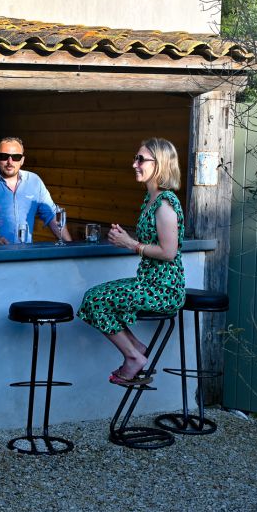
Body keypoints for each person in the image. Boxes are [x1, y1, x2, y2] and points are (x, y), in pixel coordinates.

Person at [78, 138, 185, 386]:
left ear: (159, 165)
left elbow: (169, 252)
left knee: (96, 299)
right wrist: (125, 239)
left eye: (140, 159)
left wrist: (131, 244)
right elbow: (155, 243)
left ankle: (133, 356)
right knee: (96, 297)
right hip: (149, 282)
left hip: (164, 289)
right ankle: (137, 348)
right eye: (136, 158)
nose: (134, 164)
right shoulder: (150, 200)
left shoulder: (166, 203)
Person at [0, 137, 71, 243]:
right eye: (4, 156)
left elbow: (52, 215)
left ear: (22, 160)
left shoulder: (34, 181)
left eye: (16, 157)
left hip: (23, 254)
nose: (10, 161)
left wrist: (70, 246)